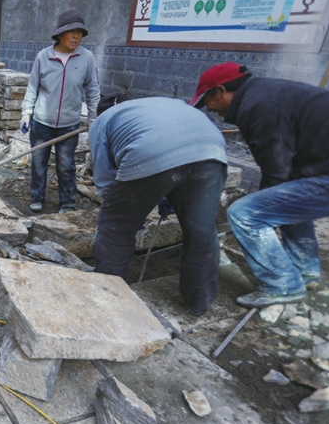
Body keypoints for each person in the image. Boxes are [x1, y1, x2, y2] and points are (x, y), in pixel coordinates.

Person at [191, 62, 329, 308]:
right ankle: (305, 271)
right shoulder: (265, 93)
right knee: (287, 200)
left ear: (220, 90)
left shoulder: (260, 105)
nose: (210, 110)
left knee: (245, 214)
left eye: (207, 102)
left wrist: (263, 206)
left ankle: (283, 284)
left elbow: (276, 172)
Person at [89, 94, 228, 315]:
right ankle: (199, 301)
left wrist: (127, 211)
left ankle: (106, 295)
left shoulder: (102, 121)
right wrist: (167, 195)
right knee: (201, 231)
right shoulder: (163, 104)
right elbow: (182, 167)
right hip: (212, 150)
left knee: (115, 229)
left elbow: (105, 179)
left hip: (150, 150)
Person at [21, 8, 100, 214]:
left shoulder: (87, 58)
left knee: (66, 166)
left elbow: (93, 89)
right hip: (42, 122)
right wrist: (26, 112)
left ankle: (67, 202)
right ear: (59, 34)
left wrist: (93, 117)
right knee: (38, 163)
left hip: (69, 124)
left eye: (80, 32)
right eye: (71, 31)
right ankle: (37, 197)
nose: (76, 36)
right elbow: (33, 86)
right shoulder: (44, 57)